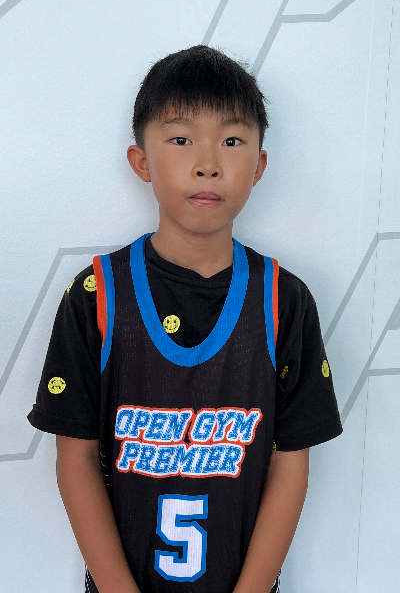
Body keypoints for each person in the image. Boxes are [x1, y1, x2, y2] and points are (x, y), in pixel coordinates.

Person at [27, 45, 343, 593]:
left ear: (259, 165)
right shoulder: (96, 295)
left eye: (231, 141)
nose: (208, 163)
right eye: (180, 139)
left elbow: (292, 463)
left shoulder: (284, 301)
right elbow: (74, 458)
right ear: (141, 162)